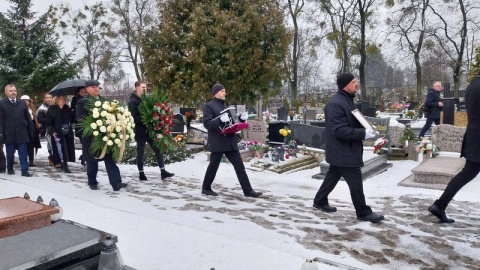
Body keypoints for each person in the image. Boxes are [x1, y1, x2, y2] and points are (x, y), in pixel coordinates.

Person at [312, 73, 384, 222]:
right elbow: (338, 130)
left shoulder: (347, 100)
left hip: (345, 149)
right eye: (353, 82)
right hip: (343, 150)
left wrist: (368, 128)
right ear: (345, 85)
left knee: (333, 175)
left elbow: (353, 121)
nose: (356, 84)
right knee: (355, 181)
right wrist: (363, 133)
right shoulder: (335, 104)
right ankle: (363, 212)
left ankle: (319, 200)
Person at [427, 70, 480, 223]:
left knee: (467, 173)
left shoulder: (472, 85)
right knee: (467, 173)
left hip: (474, 135)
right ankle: (439, 205)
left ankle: (440, 205)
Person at [201, 83, 262, 197]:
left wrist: (240, 119)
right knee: (213, 166)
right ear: (216, 92)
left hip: (230, 141)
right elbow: (207, 124)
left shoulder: (225, 106)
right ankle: (206, 188)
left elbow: (232, 122)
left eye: (224, 91)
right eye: (223, 91)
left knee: (240, 167)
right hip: (218, 141)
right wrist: (220, 120)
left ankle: (248, 191)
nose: (225, 93)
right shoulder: (208, 106)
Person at [76, 80, 127, 191]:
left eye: (97, 87)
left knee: (109, 159)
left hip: (106, 135)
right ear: (87, 89)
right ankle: (92, 181)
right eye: (93, 87)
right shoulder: (82, 102)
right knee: (92, 160)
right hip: (91, 136)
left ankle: (116, 182)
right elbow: (81, 121)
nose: (96, 89)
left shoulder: (104, 101)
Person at [128, 81, 175, 181]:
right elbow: (134, 118)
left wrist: (157, 118)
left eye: (146, 87)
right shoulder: (133, 101)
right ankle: (141, 173)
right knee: (140, 152)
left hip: (150, 130)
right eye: (143, 87)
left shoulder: (146, 99)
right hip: (140, 131)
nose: (145, 89)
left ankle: (163, 171)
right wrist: (149, 119)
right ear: (137, 88)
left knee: (158, 150)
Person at [0, 84, 34, 177]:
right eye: (10, 91)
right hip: (9, 133)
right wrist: (1, 132)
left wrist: (31, 129)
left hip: (22, 133)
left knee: (23, 153)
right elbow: (1, 119)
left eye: (14, 90)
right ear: (6, 92)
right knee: (10, 154)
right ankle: (10, 169)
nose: (13, 92)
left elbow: (27, 117)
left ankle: (24, 171)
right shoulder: (2, 103)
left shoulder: (22, 103)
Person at [46, 95, 75, 173]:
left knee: (66, 148)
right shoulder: (52, 109)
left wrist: (72, 110)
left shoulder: (67, 109)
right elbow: (49, 122)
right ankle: (64, 165)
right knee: (60, 148)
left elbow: (72, 119)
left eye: (64, 99)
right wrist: (52, 131)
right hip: (57, 132)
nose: (63, 100)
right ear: (56, 100)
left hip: (67, 132)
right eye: (61, 99)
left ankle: (64, 163)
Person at [20, 95, 41, 167]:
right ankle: (24, 160)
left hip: (32, 129)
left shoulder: (32, 109)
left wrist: (37, 130)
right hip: (23, 129)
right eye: (24, 100)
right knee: (23, 146)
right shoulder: (19, 109)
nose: (26, 102)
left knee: (31, 145)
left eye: (27, 100)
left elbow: (35, 120)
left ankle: (31, 161)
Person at [71, 87, 87, 166]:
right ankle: (84, 157)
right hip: (80, 124)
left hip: (88, 124)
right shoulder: (75, 100)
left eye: (85, 92)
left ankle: (84, 157)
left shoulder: (89, 99)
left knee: (86, 142)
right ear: (78, 93)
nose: (84, 93)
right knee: (83, 142)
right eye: (82, 92)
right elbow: (73, 112)